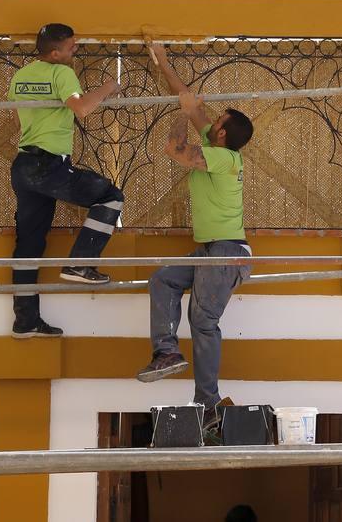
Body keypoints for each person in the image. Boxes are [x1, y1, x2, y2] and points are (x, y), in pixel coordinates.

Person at [137, 43, 254, 429]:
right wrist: (164, 62)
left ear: (221, 133)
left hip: (224, 252)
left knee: (202, 321)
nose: (210, 121)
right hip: (210, 250)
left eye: (215, 120)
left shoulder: (224, 158)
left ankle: (208, 404)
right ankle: (167, 353)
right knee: (164, 279)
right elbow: (191, 104)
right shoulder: (217, 143)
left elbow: (174, 147)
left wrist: (178, 114)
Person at [8, 23, 123, 338]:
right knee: (110, 197)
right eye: (72, 47)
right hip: (48, 164)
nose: (76, 51)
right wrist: (109, 87)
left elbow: (23, 117)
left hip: (24, 165)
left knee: (28, 246)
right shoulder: (61, 73)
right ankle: (80, 264)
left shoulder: (21, 76)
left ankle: (25, 321)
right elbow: (82, 108)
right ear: (55, 52)